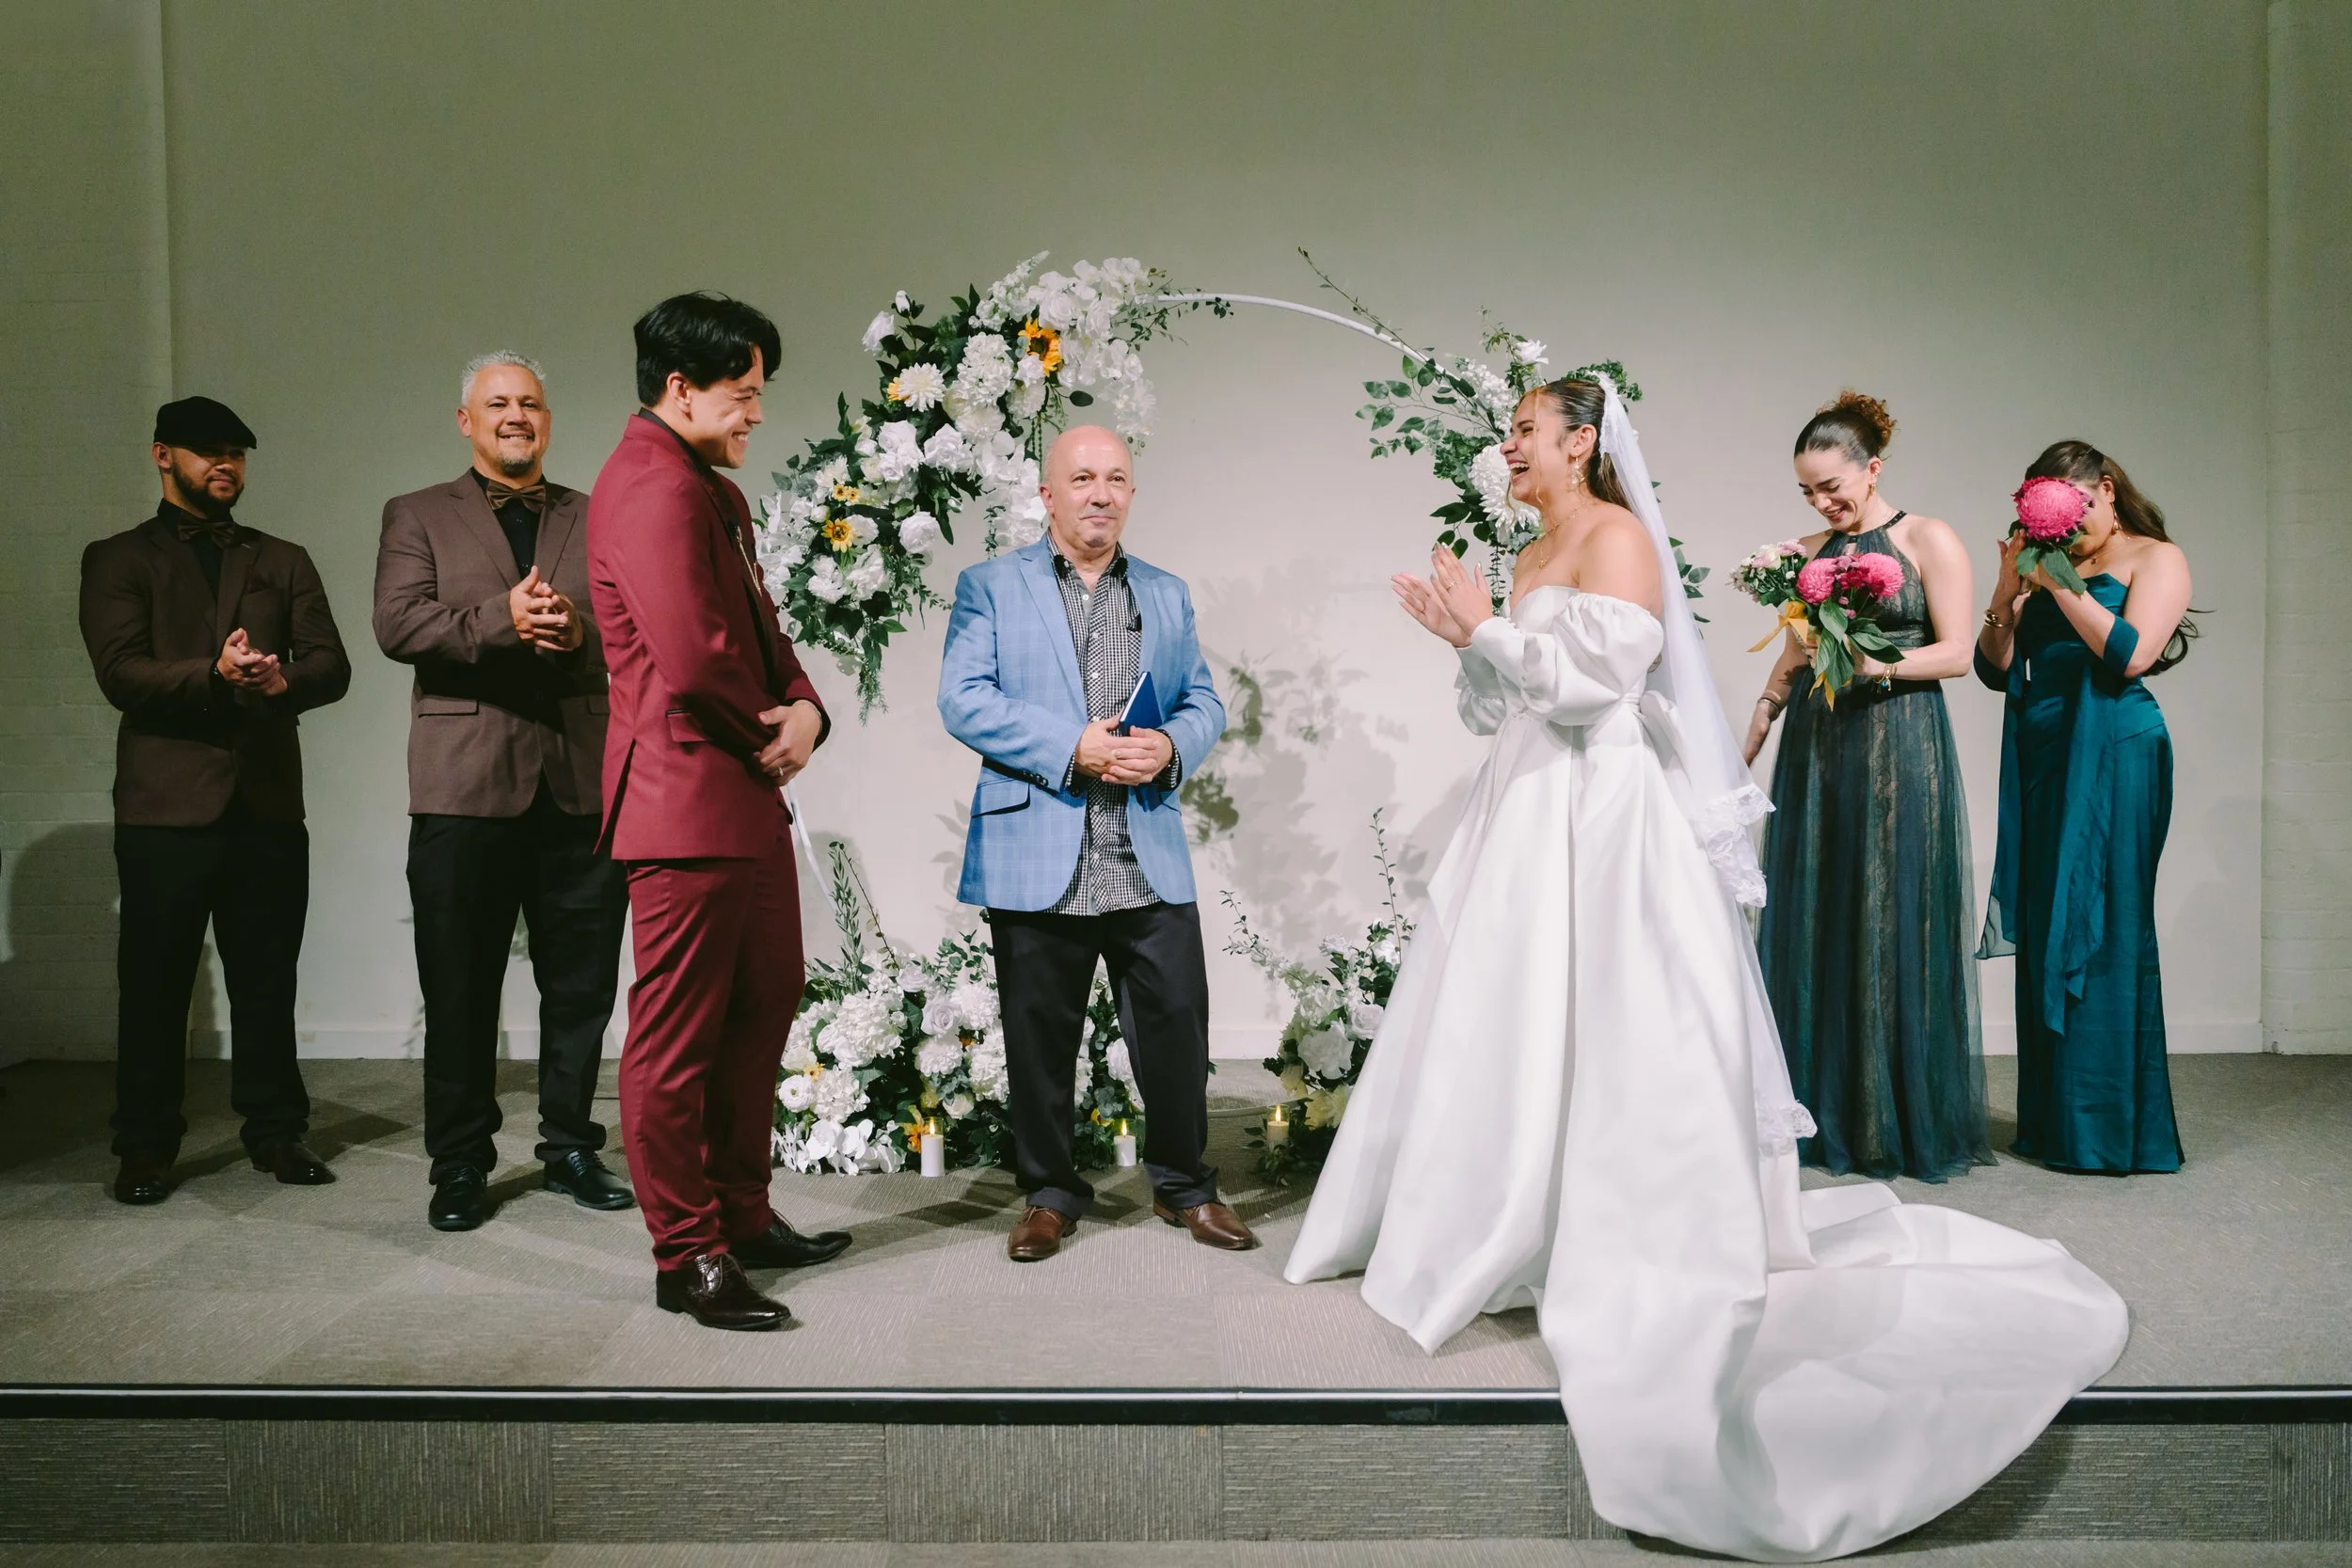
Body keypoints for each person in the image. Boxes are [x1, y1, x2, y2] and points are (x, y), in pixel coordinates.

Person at [1285, 372, 2129, 1561]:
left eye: (1523, 430)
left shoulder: (1618, 536)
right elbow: (1507, 699)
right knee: (1503, 1014)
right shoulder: (1532, 547)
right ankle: (1498, 1203)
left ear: (1579, 440)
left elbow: (1596, 690)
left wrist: (1488, 631)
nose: (1507, 446)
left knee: (1621, 1013)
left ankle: (1609, 1216)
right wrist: (1466, 638)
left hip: (1602, 807)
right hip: (1525, 803)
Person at [587, 293, 850, 1330]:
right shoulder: (650, 486)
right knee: (676, 1036)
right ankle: (686, 1251)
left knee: (766, 999)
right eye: (742, 394)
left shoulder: (713, 491)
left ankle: (741, 1211)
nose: (757, 413)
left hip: (740, 793)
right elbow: (695, 657)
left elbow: (764, 632)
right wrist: (772, 732)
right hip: (683, 800)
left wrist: (810, 709)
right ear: (680, 388)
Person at [937, 424, 1243, 1263]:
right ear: (1048, 495)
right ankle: (1049, 1193)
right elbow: (963, 698)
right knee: (1040, 1039)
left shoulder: (1167, 593)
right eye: (1081, 479)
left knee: (1176, 1030)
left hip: (1143, 849)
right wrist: (1070, 744)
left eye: (1115, 479)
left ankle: (1184, 1186)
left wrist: (1173, 745)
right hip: (1038, 847)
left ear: (1131, 494)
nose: (1100, 493)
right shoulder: (990, 586)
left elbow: (1203, 700)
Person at [373, 352, 633, 1232]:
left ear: (547, 420)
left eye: (529, 402)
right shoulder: (416, 513)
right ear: (466, 421)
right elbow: (397, 622)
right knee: (459, 986)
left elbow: (638, 627)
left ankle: (570, 1145)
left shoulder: (596, 514)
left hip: (579, 784)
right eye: (497, 403)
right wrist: (503, 619)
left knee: (582, 986)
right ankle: (459, 1161)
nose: (515, 414)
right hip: (463, 786)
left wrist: (576, 633)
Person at [79, 396, 352, 1204]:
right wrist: (213, 673)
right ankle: (145, 1144)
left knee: (268, 979)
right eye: (207, 451)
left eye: (236, 451)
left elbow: (330, 665)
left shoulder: (283, 557)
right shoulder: (117, 558)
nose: (225, 463)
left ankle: (276, 1130)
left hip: (266, 806)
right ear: (163, 455)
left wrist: (278, 679)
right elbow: (120, 672)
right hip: (164, 810)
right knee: (155, 984)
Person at [1744, 392, 1992, 1181]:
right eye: (1807, 491)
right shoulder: (1810, 551)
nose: (1821, 502)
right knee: (1821, 907)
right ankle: (1825, 1109)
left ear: (1872, 467)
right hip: (1819, 746)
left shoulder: (1929, 537)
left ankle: (1894, 1117)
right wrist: (1758, 719)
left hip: (1899, 739)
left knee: (1891, 907)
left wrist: (1872, 666)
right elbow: (1794, 653)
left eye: (1831, 486)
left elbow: (1957, 653)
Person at [1976, 440, 2192, 1174]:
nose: (2066, 532)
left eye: (2074, 515)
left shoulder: (2156, 558)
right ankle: (2055, 1123)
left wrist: (2060, 584)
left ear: (2106, 489)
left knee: (2104, 922)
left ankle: (2106, 1129)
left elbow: (2130, 654)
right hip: (2045, 755)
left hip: (2118, 748)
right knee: (2047, 923)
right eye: (2052, 522)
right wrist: (2007, 590)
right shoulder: (2047, 563)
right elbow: (1995, 669)